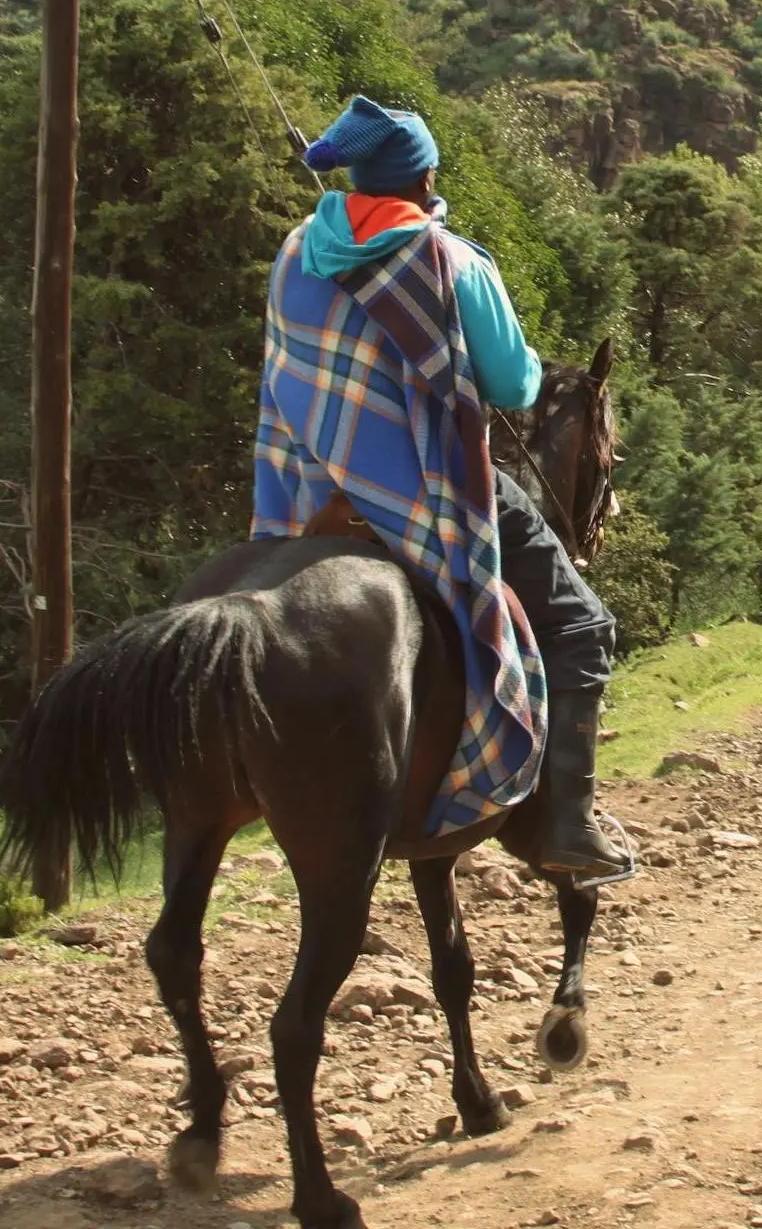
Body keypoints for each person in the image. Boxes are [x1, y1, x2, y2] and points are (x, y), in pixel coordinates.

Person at [252, 96, 629, 881]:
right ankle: (567, 822)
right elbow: (514, 385)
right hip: (418, 488)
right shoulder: (450, 260)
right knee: (581, 624)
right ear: (425, 176)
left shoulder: (295, 249)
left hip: (307, 485)